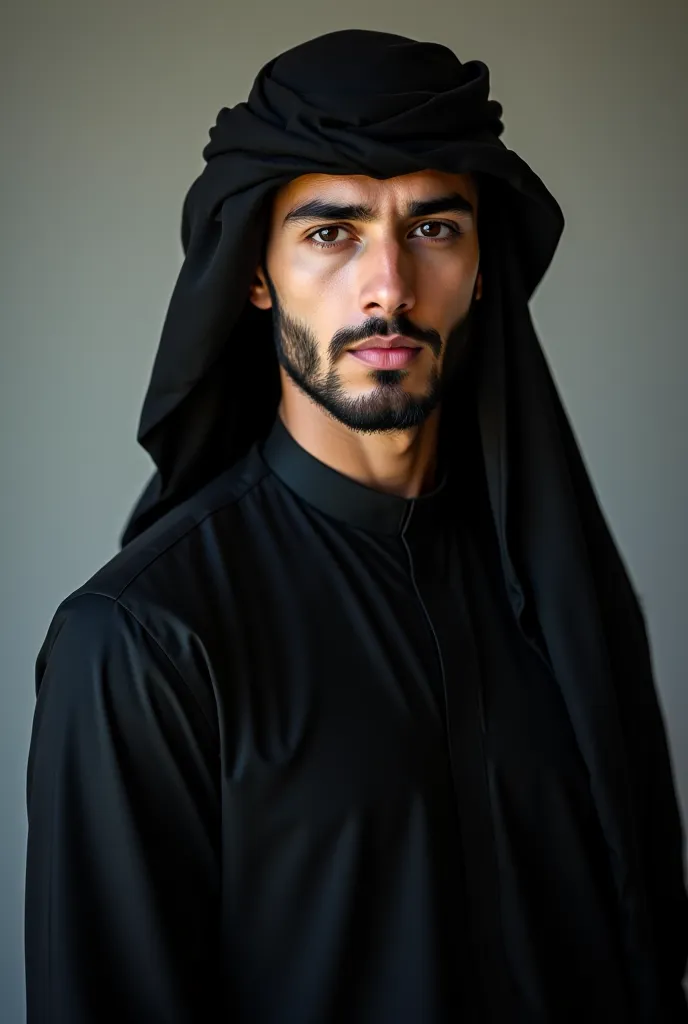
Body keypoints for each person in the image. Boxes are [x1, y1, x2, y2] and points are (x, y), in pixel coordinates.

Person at [24, 28, 688, 1024]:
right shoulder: (143, 643)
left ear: (478, 267)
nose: (388, 286)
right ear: (257, 274)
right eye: (331, 231)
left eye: (432, 227)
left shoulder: (563, 600)